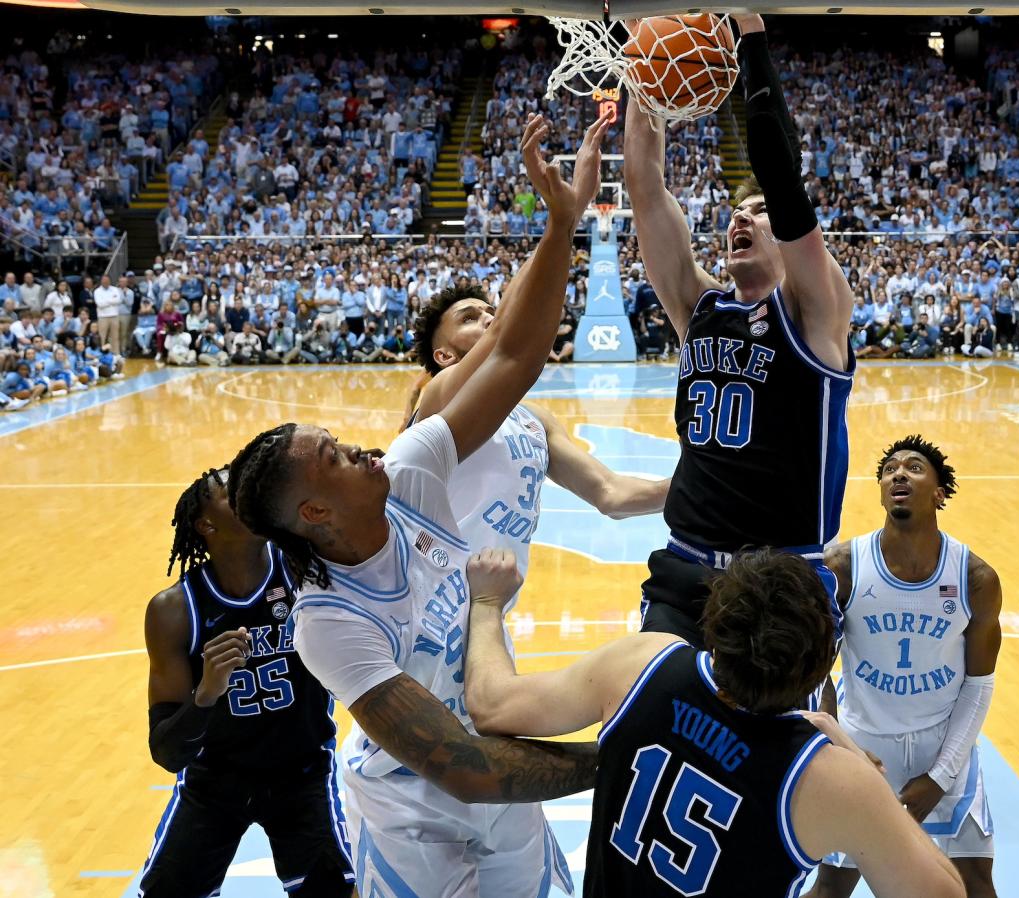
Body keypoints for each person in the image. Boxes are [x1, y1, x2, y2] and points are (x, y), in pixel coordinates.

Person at [226, 115, 602, 897]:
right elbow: (460, 771)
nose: (362, 449)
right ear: (317, 516)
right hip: (416, 805)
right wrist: (626, 756)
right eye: (334, 458)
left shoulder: (412, 470)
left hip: (502, 760)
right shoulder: (328, 622)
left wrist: (562, 223)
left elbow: (513, 354)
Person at [462, 547, 966, 898]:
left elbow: (490, 704)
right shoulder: (831, 779)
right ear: (820, 663)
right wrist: (858, 762)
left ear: (715, 622)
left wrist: (486, 604)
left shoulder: (643, 663)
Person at [623, 14, 853, 648]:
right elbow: (645, 186)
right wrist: (645, 68)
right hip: (684, 569)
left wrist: (751, 34)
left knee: (773, 744)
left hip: (779, 578)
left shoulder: (815, 314)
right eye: (734, 213)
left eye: (757, 213)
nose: (740, 220)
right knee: (652, 723)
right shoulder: (700, 307)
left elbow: (781, 175)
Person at [406, 115, 666, 648]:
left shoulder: (535, 421)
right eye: (468, 317)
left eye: (486, 311)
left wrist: (706, 486)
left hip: (484, 620)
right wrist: (561, 221)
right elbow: (508, 333)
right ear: (443, 352)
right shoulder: (433, 400)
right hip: (421, 614)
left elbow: (612, 494)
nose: (487, 317)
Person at [138, 468, 354, 898]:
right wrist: (206, 694)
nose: (245, 491)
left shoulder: (305, 572)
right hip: (215, 781)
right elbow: (166, 751)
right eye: (229, 490)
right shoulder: (175, 610)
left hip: (303, 772)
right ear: (207, 524)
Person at [812, 436, 1002, 898]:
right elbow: (815, 671)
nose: (899, 474)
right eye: (890, 469)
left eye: (915, 468)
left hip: (945, 749)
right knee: (833, 887)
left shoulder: (975, 578)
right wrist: (839, 749)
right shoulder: (842, 567)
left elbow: (978, 686)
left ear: (940, 493)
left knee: (974, 883)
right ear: (880, 491)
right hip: (864, 747)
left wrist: (940, 776)